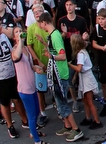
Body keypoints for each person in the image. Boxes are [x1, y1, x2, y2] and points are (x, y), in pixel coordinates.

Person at [36, 12, 83, 141]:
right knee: (59, 102)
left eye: (40, 23)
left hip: (60, 75)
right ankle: (67, 126)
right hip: (56, 74)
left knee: (62, 104)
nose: (40, 26)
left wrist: (51, 56)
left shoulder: (55, 36)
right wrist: (46, 47)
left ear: (44, 22)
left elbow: (62, 56)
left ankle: (76, 130)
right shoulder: (52, 35)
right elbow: (54, 50)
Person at [11, 26, 47, 144]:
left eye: (21, 31)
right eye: (17, 32)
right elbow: (16, 57)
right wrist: (20, 42)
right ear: (14, 37)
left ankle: (33, 131)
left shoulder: (26, 48)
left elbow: (30, 65)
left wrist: (36, 68)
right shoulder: (16, 50)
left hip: (32, 86)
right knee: (31, 115)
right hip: (24, 88)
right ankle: (37, 140)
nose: (20, 33)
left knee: (37, 111)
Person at [67, 34, 103, 129]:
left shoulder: (81, 54)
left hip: (87, 77)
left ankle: (97, 121)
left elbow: (79, 68)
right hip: (84, 77)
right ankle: (88, 118)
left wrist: (69, 65)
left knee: (90, 101)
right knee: (85, 100)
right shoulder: (82, 52)